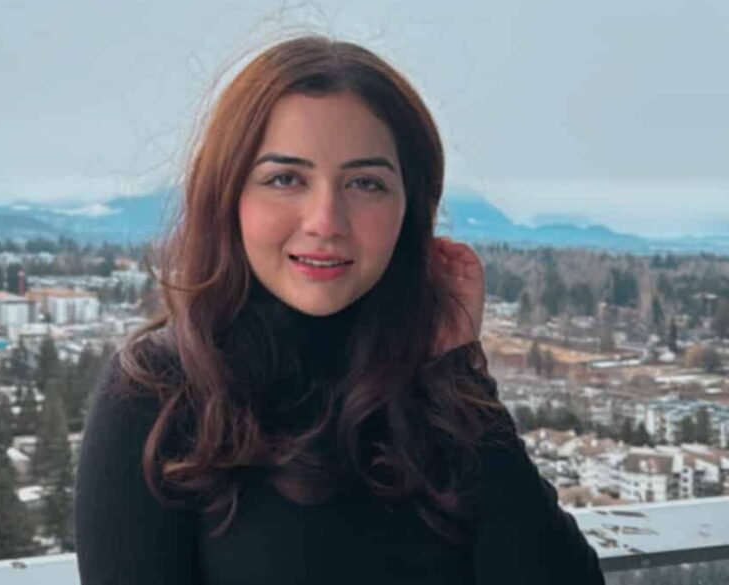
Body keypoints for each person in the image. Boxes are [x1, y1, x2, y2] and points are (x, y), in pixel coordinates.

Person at [74, 34, 605, 584]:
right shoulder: (159, 394)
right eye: (285, 179)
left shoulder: (434, 388)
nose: (326, 220)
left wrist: (459, 375)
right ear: (228, 195)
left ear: (410, 208)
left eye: (365, 183)